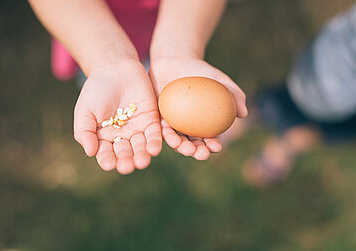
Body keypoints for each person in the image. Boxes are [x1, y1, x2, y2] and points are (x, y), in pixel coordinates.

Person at [28, 0, 248, 174]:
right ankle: (103, 73)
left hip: (170, 21)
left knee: (142, 72)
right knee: (105, 79)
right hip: (87, 28)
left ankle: (141, 66)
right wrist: (105, 59)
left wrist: (178, 48)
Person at [243, 3, 356, 187]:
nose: (275, 163)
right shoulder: (323, 136)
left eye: (264, 161)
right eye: (275, 172)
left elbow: (255, 105)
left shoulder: (276, 113)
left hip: (328, 65)